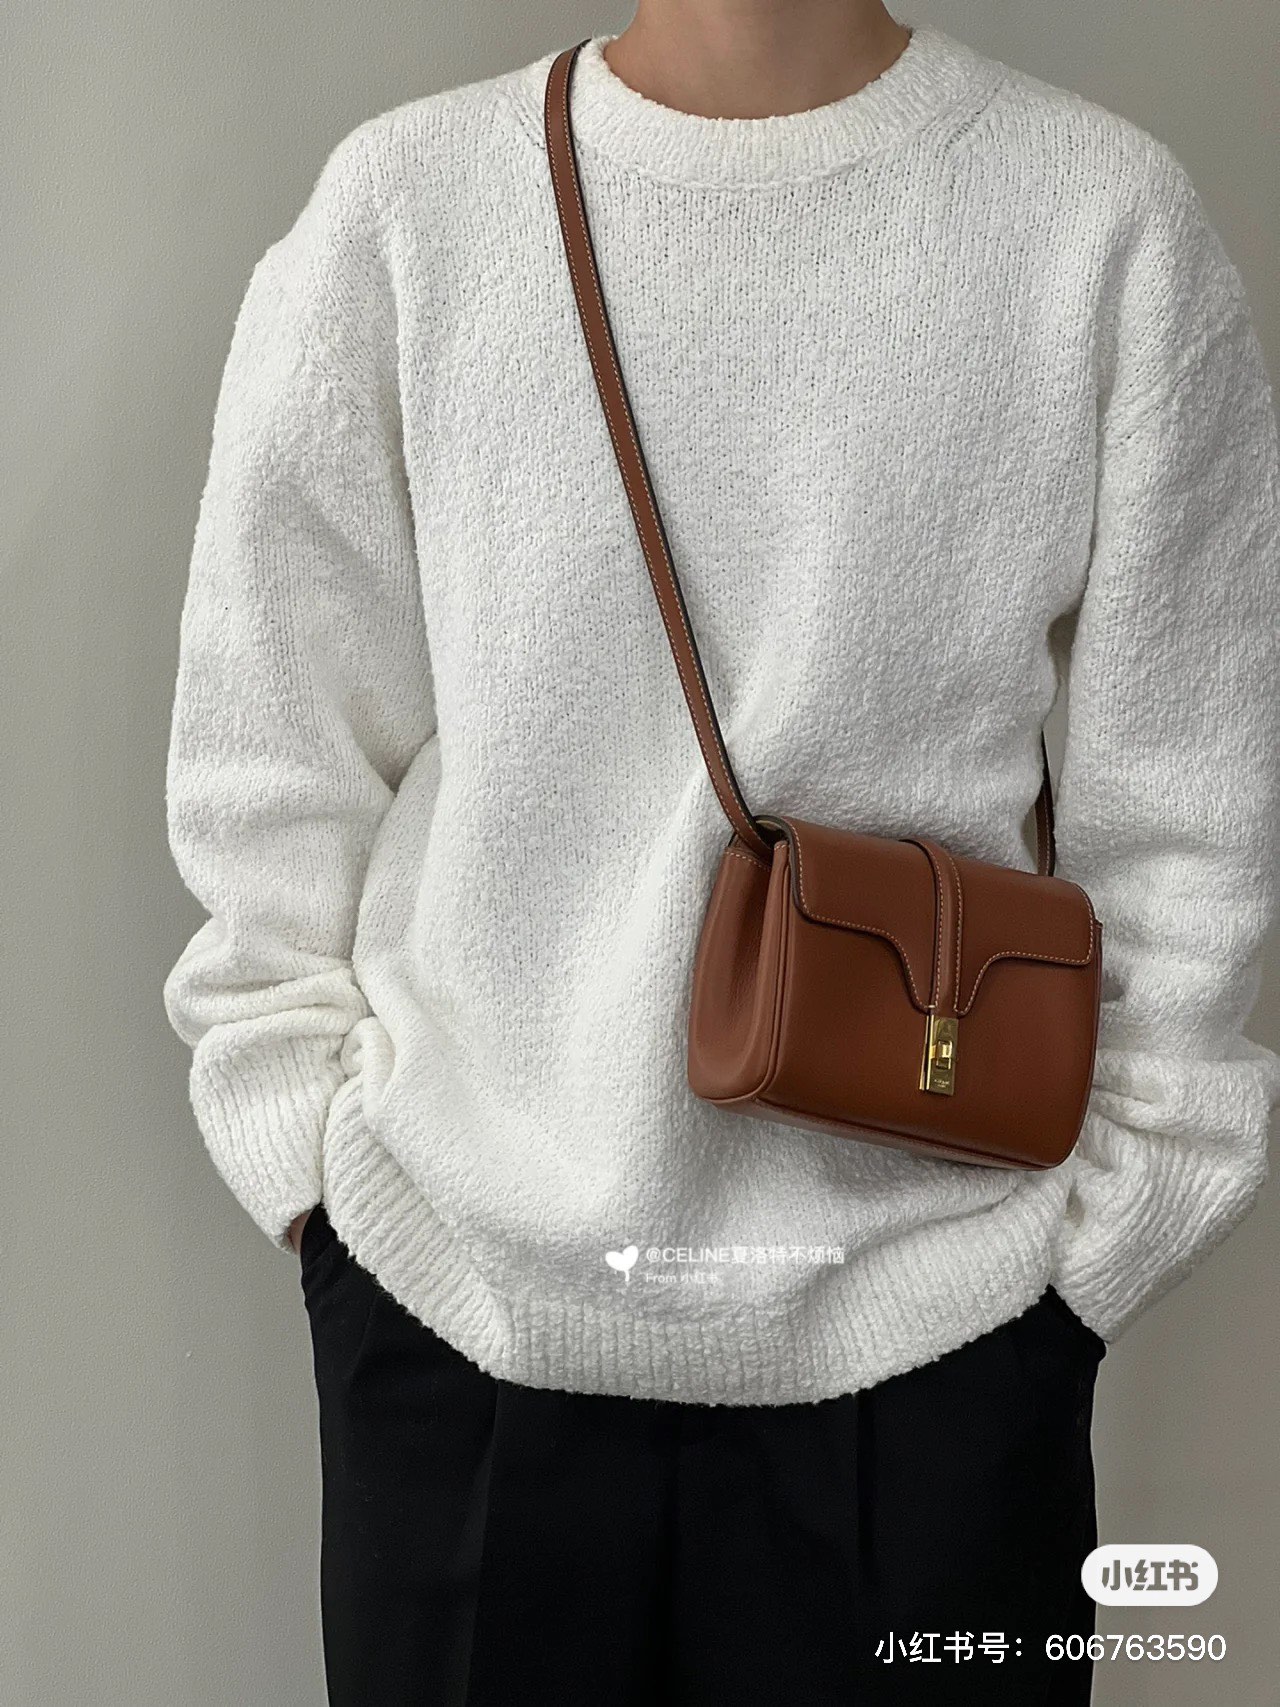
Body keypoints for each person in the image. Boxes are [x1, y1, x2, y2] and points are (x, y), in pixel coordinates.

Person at [162, 2, 1280, 1702]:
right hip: (461, 1314)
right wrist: (317, 1187)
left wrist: (1101, 1249)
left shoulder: (1100, 222)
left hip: (946, 1345)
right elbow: (274, 748)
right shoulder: (408, 208)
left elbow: (1188, 797)